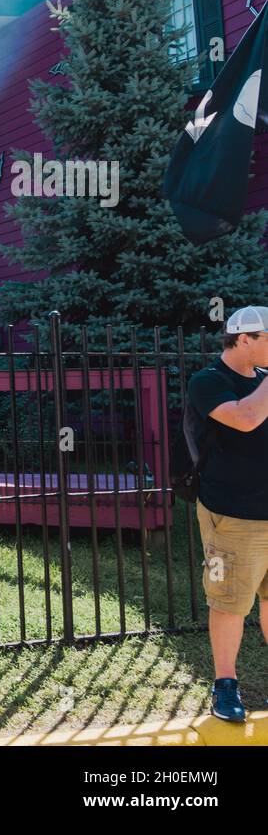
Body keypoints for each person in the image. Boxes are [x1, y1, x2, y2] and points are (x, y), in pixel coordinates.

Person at [184, 306, 268, 723]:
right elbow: (246, 418)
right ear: (245, 338)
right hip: (233, 515)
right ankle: (225, 684)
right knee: (230, 601)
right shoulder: (207, 382)